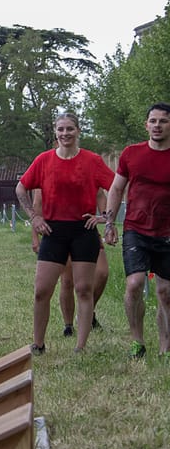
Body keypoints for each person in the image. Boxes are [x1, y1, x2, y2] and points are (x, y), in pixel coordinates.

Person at [15, 111, 113, 354]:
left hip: (83, 230)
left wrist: (106, 217)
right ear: (55, 133)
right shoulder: (44, 160)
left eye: (70, 129)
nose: (65, 134)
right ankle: (38, 344)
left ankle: (80, 346)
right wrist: (34, 217)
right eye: (61, 129)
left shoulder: (92, 161)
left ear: (78, 131)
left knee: (82, 289)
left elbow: (116, 187)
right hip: (53, 230)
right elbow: (21, 188)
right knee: (42, 291)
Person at [104, 102, 170, 359]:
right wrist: (109, 224)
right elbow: (116, 189)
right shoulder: (131, 154)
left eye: (163, 121)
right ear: (146, 125)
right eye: (153, 121)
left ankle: (166, 346)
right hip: (136, 228)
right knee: (134, 284)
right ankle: (137, 341)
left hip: (166, 232)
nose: (157, 126)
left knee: (165, 292)